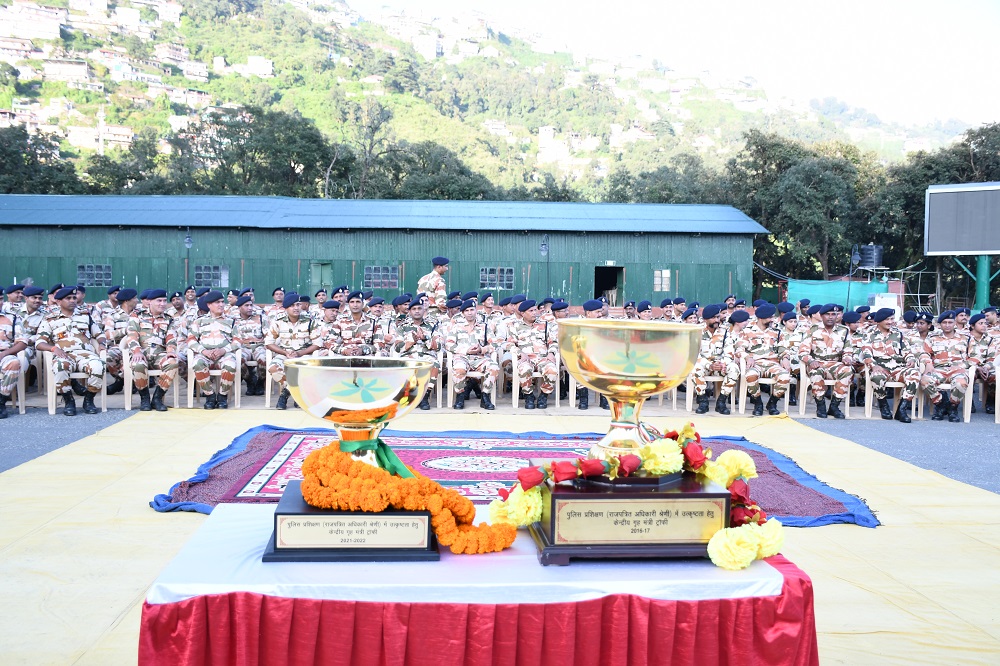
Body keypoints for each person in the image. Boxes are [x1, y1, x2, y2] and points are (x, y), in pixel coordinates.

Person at [34, 286, 107, 416]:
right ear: (58, 301)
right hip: (64, 354)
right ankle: (69, 400)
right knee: (60, 366)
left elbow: (99, 334)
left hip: (86, 354)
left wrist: (101, 344)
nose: (73, 300)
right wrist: (53, 348)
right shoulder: (50, 319)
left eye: (74, 297)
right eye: (68, 298)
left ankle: (89, 399)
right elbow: (39, 342)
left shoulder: (85, 316)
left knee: (99, 366)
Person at [860, 308, 921, 423]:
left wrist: (910, 359)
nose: (890, 322)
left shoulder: (898, 334)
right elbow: (866, 353)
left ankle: (901, 409)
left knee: (915, 374)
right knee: (876, 377)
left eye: (892, 319)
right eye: (887, 319)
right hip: (881, 367)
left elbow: (906, 351)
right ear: (879, 321)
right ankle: (884, 406)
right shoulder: (869, 334)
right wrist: (873, 366)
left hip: (898, 368)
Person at [125, 289, 179, 412]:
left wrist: (171, 351)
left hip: (159, 354)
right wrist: (137, 351)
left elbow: (171, 338)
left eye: (164, 301)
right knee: (138, 364)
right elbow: (132, 335)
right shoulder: (137, 315)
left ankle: (157, 398)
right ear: (150, 302)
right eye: (159, 301)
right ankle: (144, 398)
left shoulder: (169, 319)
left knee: (172, 363)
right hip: (141, 353)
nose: (162, 303)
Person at [266, 292, 321, 410]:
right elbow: (268, 343)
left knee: (303, 370)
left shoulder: (310, 321)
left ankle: (284, 394)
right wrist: (285, 353)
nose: (296, 308)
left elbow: (317, 344)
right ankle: (297, 392)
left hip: (304, 355)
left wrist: (300, 353)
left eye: (298, 305)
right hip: (285, 355)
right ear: (286, 308)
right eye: (292, 305)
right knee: (273, 369)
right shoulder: (278, 321)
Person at [799, 304, 854, 419]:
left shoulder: (844, 331)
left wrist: (847, 357)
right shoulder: (812, 329)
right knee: (816, 372)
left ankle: (834, 406)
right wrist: (810, 361)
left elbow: (848, 350)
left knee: (848, 371)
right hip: (817, 363)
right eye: (827, 314)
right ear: (821, 316)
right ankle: (820, 405)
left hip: (835, 364)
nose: (830, 317)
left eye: (833, 314)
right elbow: (803, 352)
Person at [736, 303, 791, 416]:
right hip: (755, 363)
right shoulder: (747, 331)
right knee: (750, 375)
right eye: (770, 317)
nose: (772, 319)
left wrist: (785, 358)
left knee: (785, 376)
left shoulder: (777, 331)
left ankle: (772, 402)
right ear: (761, 318)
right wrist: (747, 357)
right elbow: (739, 349)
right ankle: (758, 403)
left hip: (773, 363)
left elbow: (783, 348)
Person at [188, 290, 239, 410]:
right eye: (217, 302)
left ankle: (222, 396)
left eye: (222, 302)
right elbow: (191, 340)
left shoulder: (231, 321)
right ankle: (210, 396)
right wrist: (203, 351)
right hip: (205, 354)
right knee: (197, 363)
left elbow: (238, 341)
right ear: (209, 305)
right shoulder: (199, 321)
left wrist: (224, 350)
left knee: (231, 364)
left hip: (224, 354)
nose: (221, 305)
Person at [446, 300, 498, 410]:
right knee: (459, 368)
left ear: (476, 311)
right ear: (463, 313)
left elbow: (495, 343)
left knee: (493, 367)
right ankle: (460, 396)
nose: (470, 313)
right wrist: (466, 350)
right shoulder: (457, 327)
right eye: (467, 311)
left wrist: (482, 349)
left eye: (472, 310)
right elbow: (449, 344)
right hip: (462, 357)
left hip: (480, 357)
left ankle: (485, 397)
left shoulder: (484, 327)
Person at [920, 311, 970, 422]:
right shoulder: (932, 338)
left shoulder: (965, 338)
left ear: (955, 323)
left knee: (961, 383)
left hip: (958, 369)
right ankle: (941, 404)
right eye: (944, 322)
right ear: (939, 325)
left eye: (950, 322)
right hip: (938, 369)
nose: (947, 325)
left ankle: (953, 407)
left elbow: (974, 356)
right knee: (924, 381)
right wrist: (928, 363)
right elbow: (924, 353)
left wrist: (964, 366)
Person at [692, 305, 740, 415]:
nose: (717, 320)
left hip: (720, 364)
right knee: (695, 368)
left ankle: (721, 401)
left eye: (718, 317)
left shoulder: (725, 332)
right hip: (704, 365)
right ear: (705, 319)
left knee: (734, 369)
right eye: (713, 318)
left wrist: (723, 364)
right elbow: (695, 355)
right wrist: (710, 365)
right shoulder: (697, 332)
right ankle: (703, 401)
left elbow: (729, 351)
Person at [397, 299, 441, 409]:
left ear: (423, 310)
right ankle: (410, 396)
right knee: (405, 365)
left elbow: (438, 345)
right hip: (409, 355)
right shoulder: (403, 326)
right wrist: (410, 342)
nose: (417, 311)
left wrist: (425, 338)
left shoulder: (433, 325)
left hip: (427, 356)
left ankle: (424, 397)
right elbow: (397, 347)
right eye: (414, 309)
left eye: (419, 308)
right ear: (410, 312)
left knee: (435, 365)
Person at [233, 295, 267, 395]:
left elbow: (268, 334)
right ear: (239, 307)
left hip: (258, 346)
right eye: (246, 306)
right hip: (242, 347)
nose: (250, 308)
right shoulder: (233, 320)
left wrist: (266, 345)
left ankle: (260, 382)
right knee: (238, 359)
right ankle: (250, 382)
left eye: (251, 305)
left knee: (264, 359)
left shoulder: (260, 318)